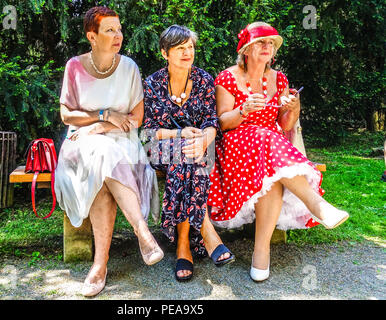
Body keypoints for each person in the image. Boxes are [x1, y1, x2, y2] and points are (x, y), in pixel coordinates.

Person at [207, 22, 349, 282]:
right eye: (262, 42)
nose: (267, 46)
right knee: (265, 138)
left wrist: (294, 107)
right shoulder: (227, 77)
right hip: (235, 147)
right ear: (247, 48)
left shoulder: (279, 78)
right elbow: (222, 123)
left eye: (271, 43)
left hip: (269, 152)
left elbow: (285, 125)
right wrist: (244, 110)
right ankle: (316, 204)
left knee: (271, 174)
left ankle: (261, 251)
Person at [55, 6, 163, 297]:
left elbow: (136, 117)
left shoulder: (129, 67)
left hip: (122, 143)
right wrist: (103, 116)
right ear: (92, 36)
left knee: (104, 168)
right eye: (110, 30)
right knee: (100, 153)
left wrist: (107, 127)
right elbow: (67, 115)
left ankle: (99, 265)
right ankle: (143, 233)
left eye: (119, 29)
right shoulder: (74, 67)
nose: (119, 36)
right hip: (81, 146)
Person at [143, 25, 235, 282]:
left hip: (197, 150)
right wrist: (180, 134)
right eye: (180, 48)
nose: (187, 53)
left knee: (189, 159)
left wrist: (204, 140)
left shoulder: (205, 80)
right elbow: (147, 132)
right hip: (161, 148)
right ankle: (206, 230)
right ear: (165, 53)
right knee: (186, 155)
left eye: (190, 47)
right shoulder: (152, 84)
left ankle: (183, 244)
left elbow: (211, 123)